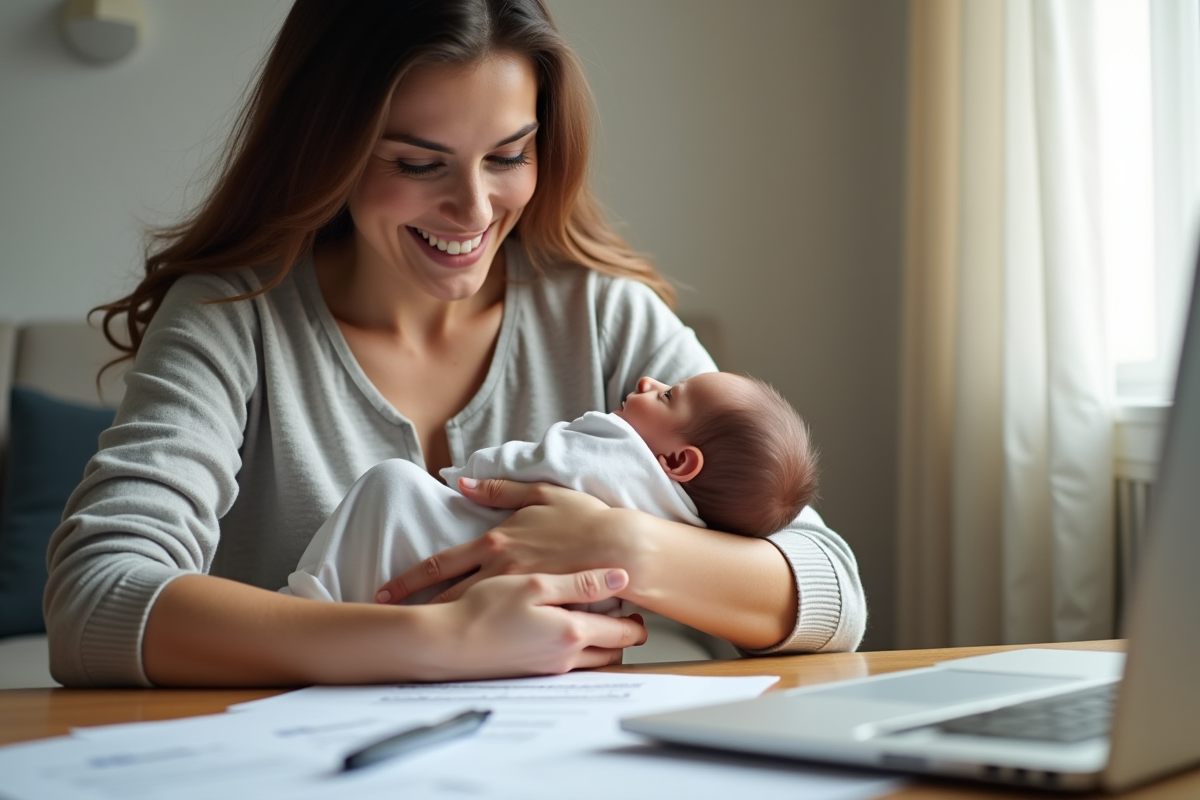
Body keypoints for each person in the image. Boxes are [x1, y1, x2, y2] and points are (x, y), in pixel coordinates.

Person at [44, 0, 866, 688]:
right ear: (326, 153)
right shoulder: (233, 318)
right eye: (418, 162)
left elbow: (833, 594)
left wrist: (620, 547)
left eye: (508, 155)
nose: (474, 210)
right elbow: (96, 600)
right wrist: (440, 642)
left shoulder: (608, 317)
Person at [285, 372, 819, 604]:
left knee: (392, 485)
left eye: (668, 395)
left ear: (679, 460)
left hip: (468, 551)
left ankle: (308, 602)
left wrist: (476, 468)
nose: (646, 384)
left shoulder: (618, 447)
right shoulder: (694, 521)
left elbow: (542, 461)